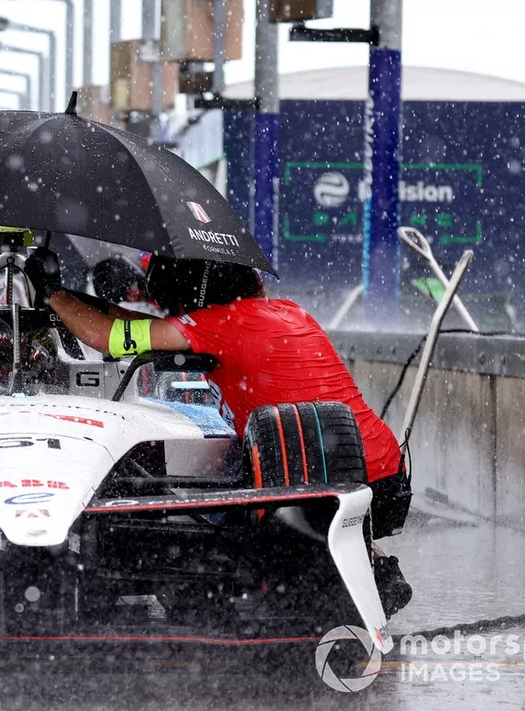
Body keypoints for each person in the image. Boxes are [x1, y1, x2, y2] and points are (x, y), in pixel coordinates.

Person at [24, 248, 412, 614]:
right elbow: (140, 325)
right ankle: (366, 561)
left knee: (213, 546)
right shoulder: (288, 311)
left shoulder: (216, 326)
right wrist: (72, 299)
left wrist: (52, 291)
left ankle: (308, 587)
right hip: (382, 477)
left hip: (322, 485)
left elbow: (109, 337)